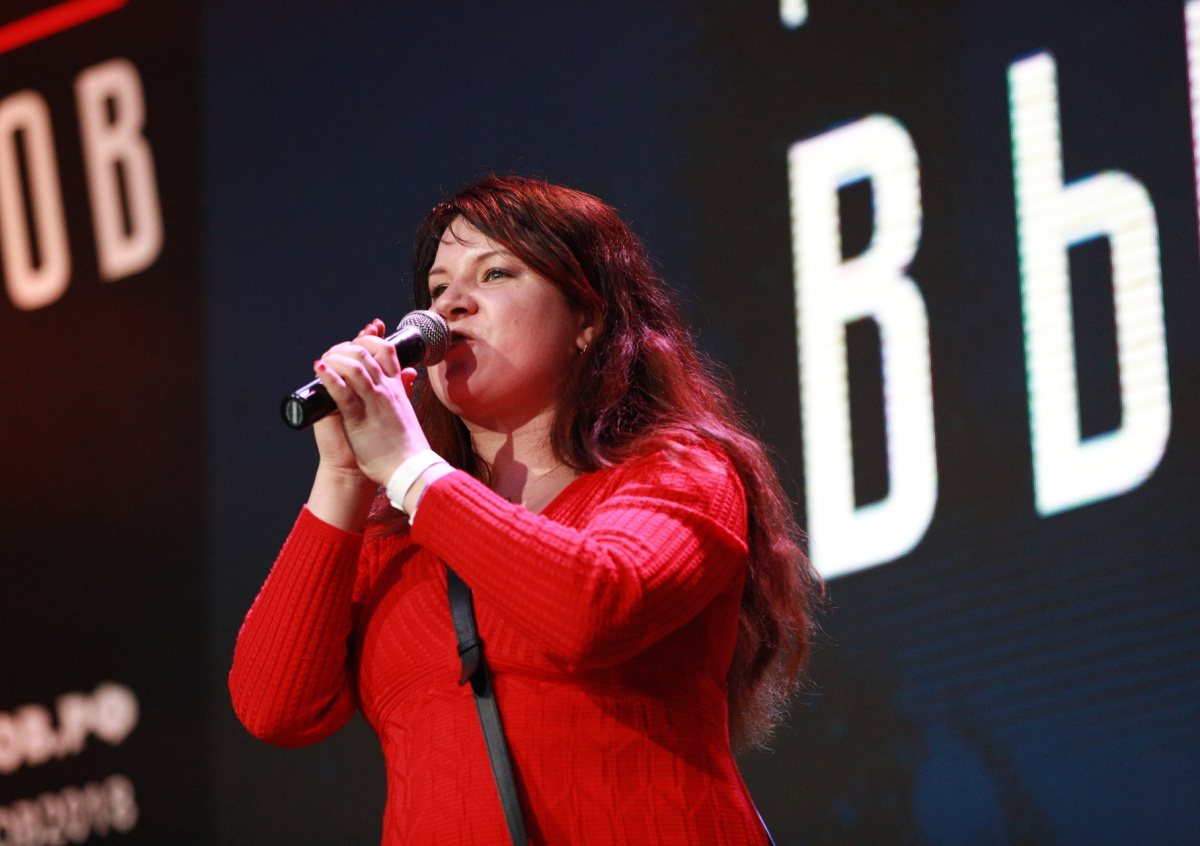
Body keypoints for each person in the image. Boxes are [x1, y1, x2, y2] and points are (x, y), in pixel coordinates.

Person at [229, 175, 823, 845]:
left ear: (586, 319)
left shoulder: (679, 472)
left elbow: (593, 608)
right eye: (437, 289)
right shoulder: (396, 534)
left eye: (495, 274)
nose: (450, 305)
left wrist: (409, 469)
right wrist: (343, 476)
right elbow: (274, 708)